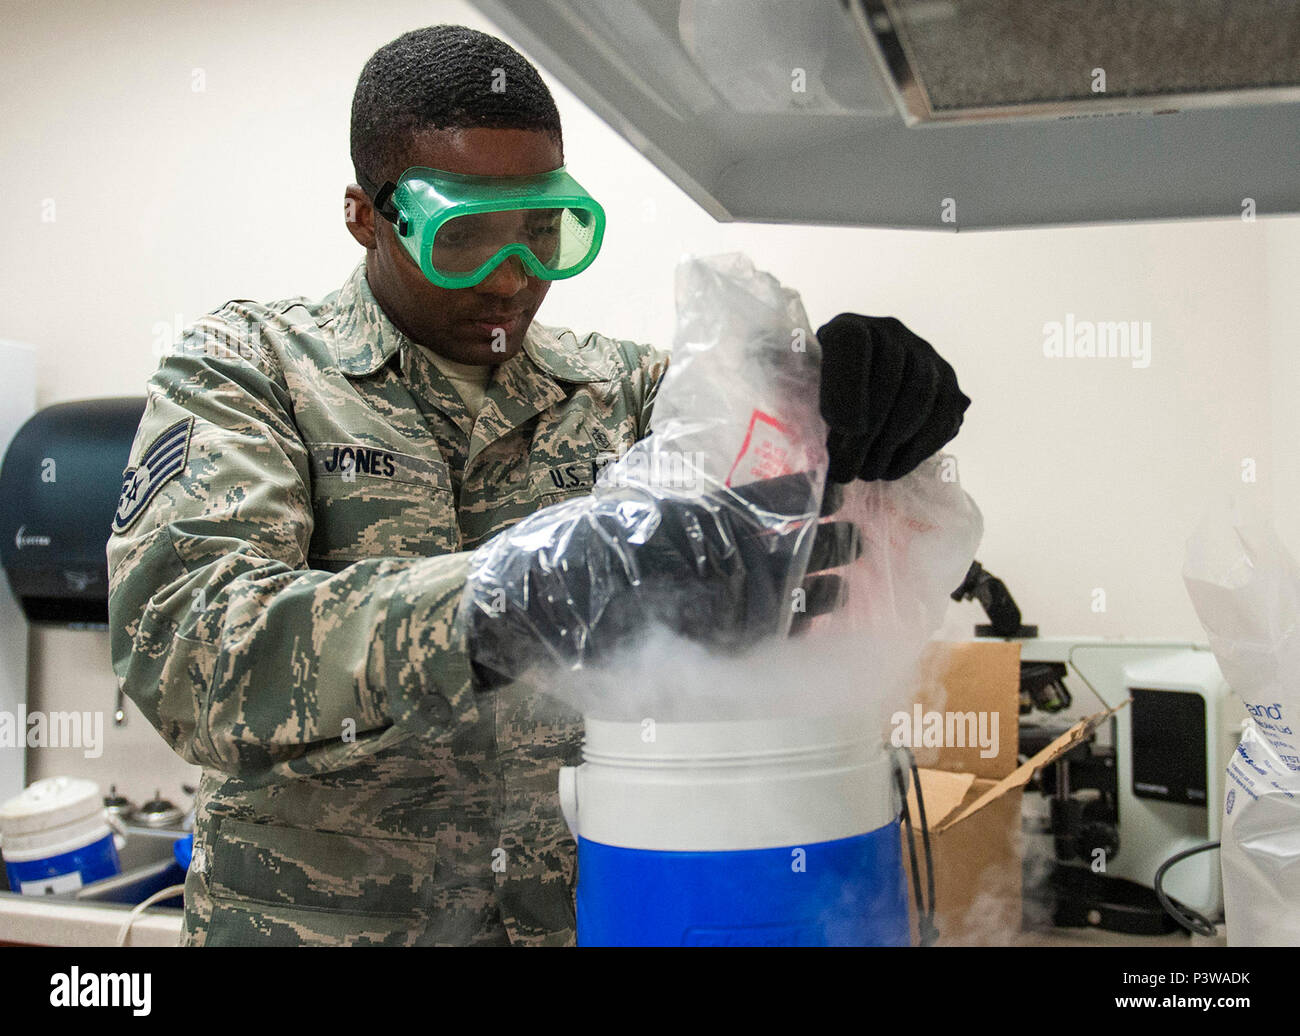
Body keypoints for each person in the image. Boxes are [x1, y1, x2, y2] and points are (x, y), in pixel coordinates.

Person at [106, 25, 969, 946]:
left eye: (543, 231)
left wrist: (837, 394)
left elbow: (752, 463)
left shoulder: (625, 393)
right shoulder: (251, 371)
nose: (513, 276)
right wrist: (529, 596)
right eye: (466, 235)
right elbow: (191, 651)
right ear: (367, 214)